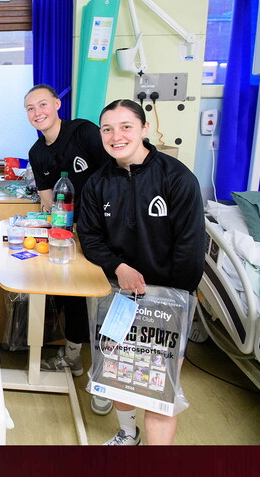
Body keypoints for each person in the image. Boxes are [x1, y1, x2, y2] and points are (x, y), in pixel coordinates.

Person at [77, 98, 205, 445]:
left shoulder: (176, 179)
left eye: (125, 127)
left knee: (159, 391)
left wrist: (175, 302)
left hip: (169, 301)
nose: (116, 136)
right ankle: (126, 433)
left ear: (144, 129)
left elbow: (191, 246)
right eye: (107, 129)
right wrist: (119, 268)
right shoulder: (97, 184)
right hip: (121, 297)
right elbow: (89, 237)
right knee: (120, 375)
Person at [24, 84, 110, 411]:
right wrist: (50, 230)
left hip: (104, 228)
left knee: (104, 295)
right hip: (68, 234)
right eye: (30, 109)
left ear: (57, 104)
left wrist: (91, 221)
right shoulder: (36, 153)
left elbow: (113, 174)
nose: (37, 113)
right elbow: (48, 203)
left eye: (43, 104)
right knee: (66, 289)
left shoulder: (83, 133)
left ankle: (105, 370)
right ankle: (73, 356)